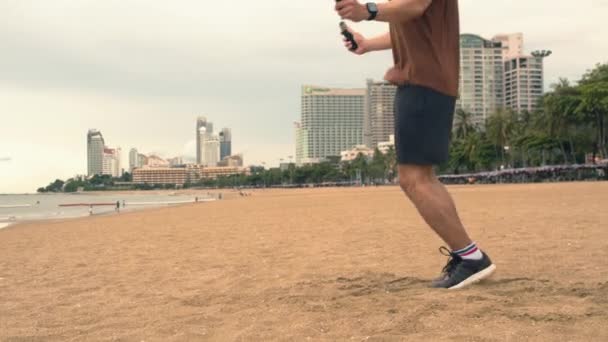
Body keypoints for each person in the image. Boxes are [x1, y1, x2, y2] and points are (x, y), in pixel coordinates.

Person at [335, 0, 495, 289]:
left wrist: (367, 11)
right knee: (421, 177)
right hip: (424, 83)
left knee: (414, 179)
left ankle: (471, 257)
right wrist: (368, 44)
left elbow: (414, 7)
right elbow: (408, 23)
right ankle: (467, 256)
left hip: (424, 83)